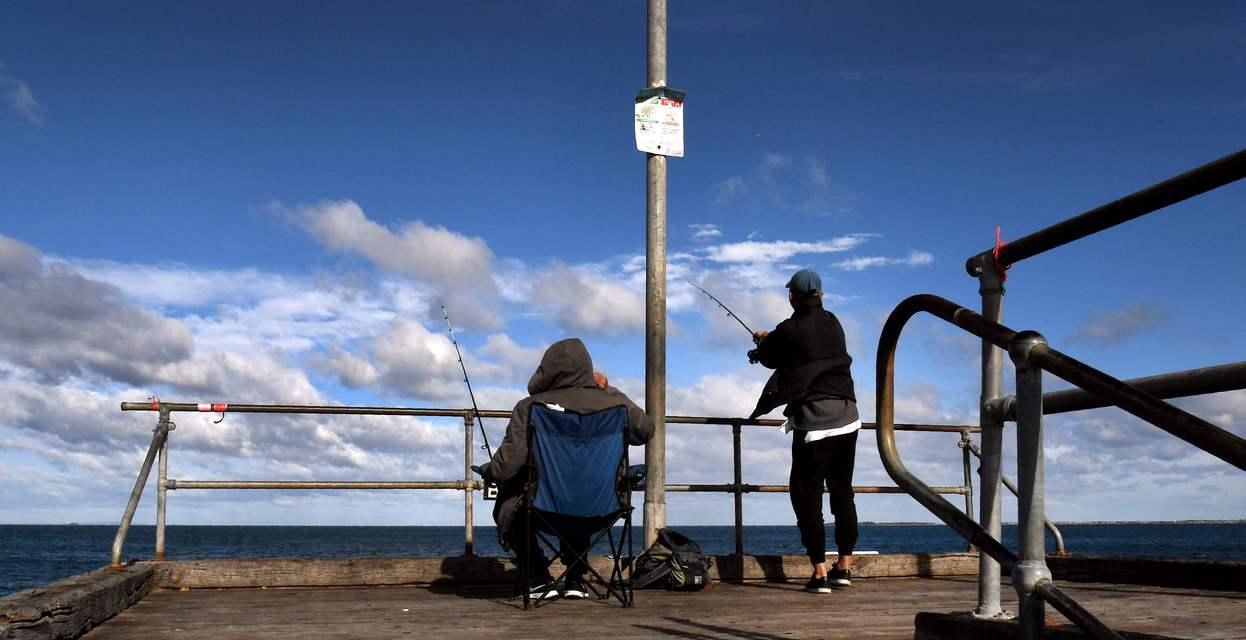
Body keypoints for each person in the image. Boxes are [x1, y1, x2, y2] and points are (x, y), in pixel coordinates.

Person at [476, 338, 654, 599]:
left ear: (546, 370)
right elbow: (645, 430)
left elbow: (505, 468)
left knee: (509, 503)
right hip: (604, 509)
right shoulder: (613, 405)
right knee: (580, 491)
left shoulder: (530, 407)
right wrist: (610, 390)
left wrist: (486, 469)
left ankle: (538, 578)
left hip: (542, 510)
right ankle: (574, 579)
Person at [749, 268, 860, 594]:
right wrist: (771, 341)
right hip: (848, 416)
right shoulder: (833, 322)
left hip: (813, 423)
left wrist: (762, 341)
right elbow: (804, 348)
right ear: (821, 296)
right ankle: (845, 567)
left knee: (806, 495)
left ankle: (820, 573)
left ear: (791, 297)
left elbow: (770, 357)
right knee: (843, 492)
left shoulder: (789, 329)